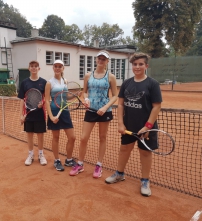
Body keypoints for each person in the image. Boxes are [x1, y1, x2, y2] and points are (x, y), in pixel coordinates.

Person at [104, 52, 162, 197]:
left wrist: (148, 126)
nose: (137, 67)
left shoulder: (152, 84)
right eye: (135, 64)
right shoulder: (127, 83)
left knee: (145, 153)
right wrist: (120, 123)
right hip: (128, 125)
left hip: (147, 127)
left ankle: (145, 180)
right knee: (124, 149)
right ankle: (119, 173)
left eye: (140, 64)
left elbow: (156, 106)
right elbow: (121, 104)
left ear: (146, 66)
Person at [69, 50, 118, 178]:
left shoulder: (110, 77)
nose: (101, 61)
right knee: (84, 138)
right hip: (90, 110)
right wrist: (86, 100)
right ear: (96, 60)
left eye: (104, 59)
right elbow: (85, 92)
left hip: (104, 111)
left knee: (102, 138)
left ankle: (99, 165)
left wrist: (106, 107)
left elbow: (115, 95)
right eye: (99, 59)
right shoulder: (88, 75)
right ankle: (80, 164)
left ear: (107, 61)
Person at [45, 59, 77, 171]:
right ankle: (57, 160)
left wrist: (75, 96)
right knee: (56, 137)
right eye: (56, 66)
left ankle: (68, 160)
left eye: (60, 66)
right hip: (54, 112)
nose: (57, 68)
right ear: (53, 68)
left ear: (63, 68)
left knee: (72, 137)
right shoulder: (49, 83)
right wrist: (51, 116)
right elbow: (47, 101)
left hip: (65, 111)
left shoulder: (65, 81)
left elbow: (65, 97)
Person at [18, 60, 47, 166]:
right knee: (29, 135)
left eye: (36, 66)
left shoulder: (44, 82)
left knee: (40, 135)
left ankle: (41, 155)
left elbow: (46, 98)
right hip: (28, 113)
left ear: (39, 68)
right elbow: (22, 99)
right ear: (29, 68)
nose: (34, 68)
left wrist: (42, 103)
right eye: (32, 66)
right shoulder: (25, 82)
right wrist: (21, 114)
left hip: (40, 114)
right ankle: (30, 155)